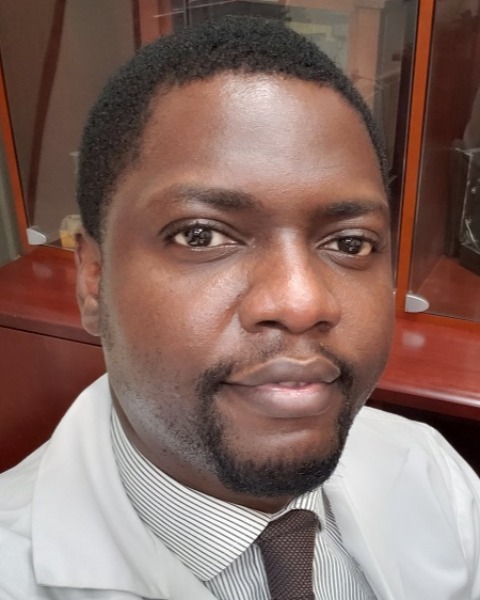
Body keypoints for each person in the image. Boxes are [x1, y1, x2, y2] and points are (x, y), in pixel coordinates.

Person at [0, 15, 479, 600]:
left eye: (350, 243)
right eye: (200, 235)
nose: (301, 302)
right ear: (94, 280)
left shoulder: (434, 475)